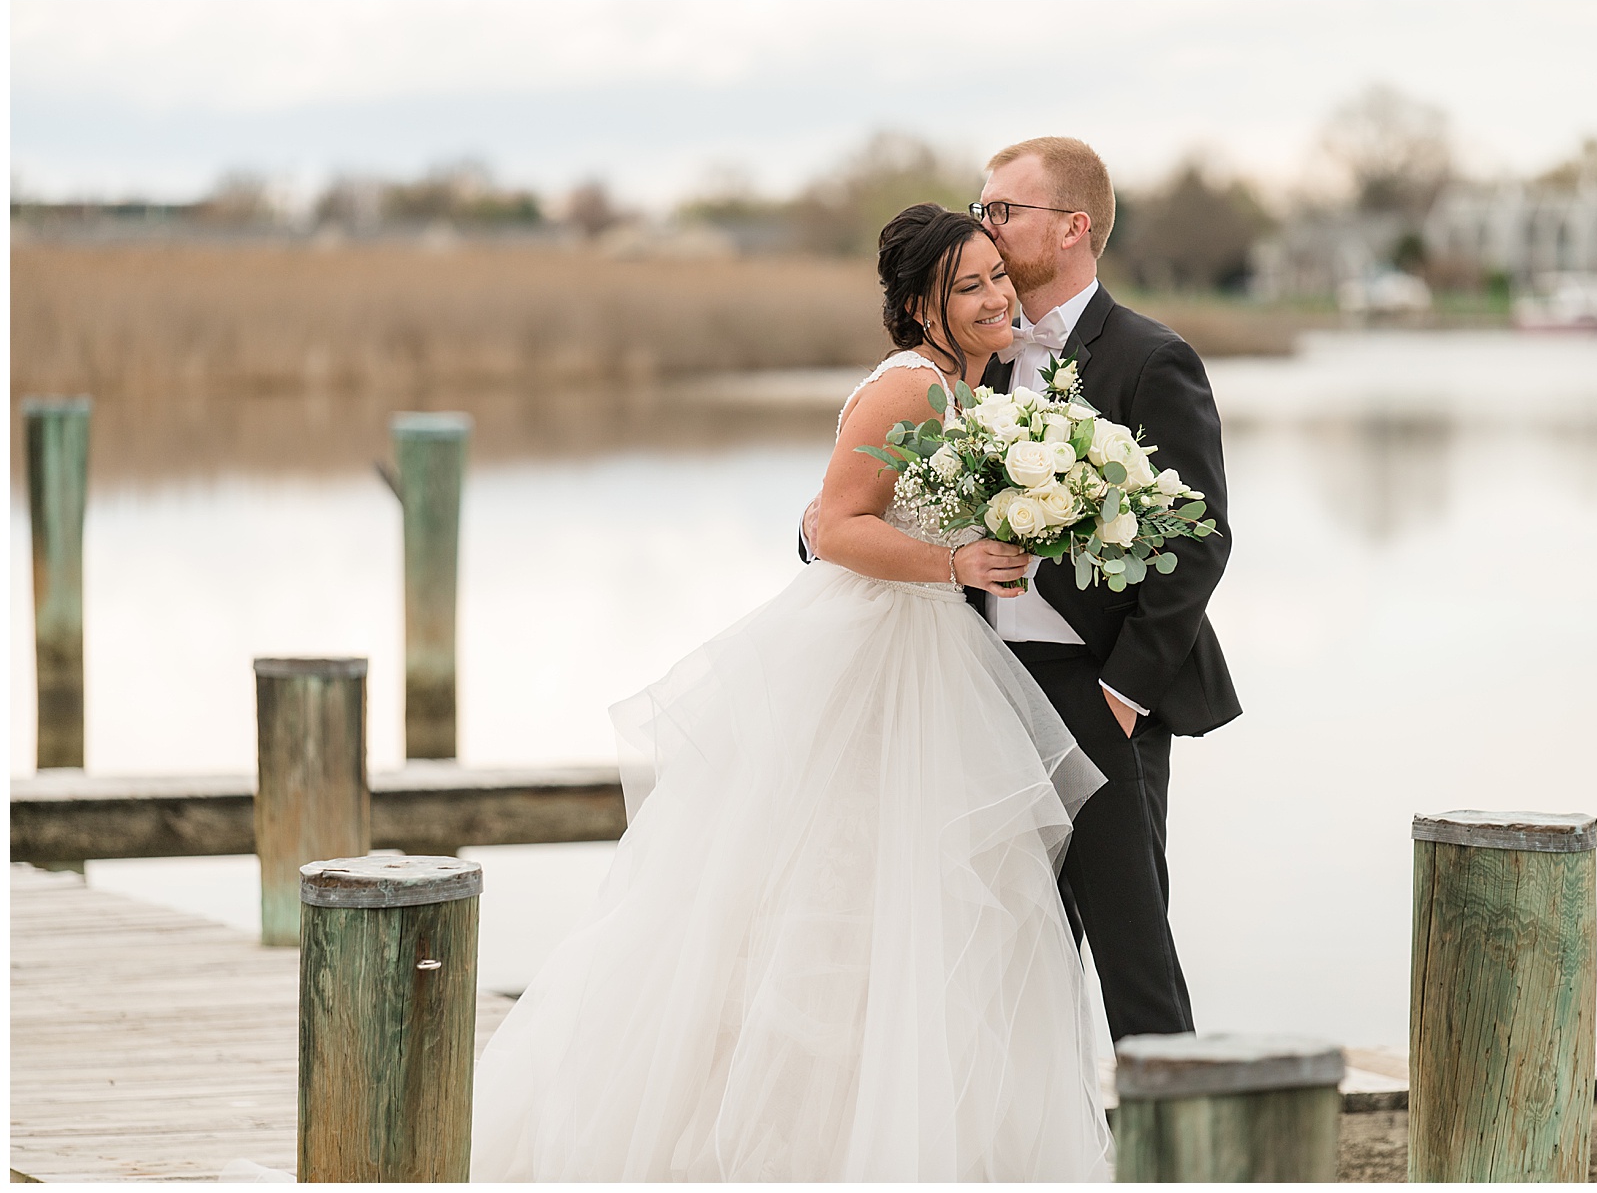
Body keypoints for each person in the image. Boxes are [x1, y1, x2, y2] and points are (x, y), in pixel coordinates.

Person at [469, 204, 1113, 1181]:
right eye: (967, 286)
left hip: (932, 652)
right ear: (915, 307)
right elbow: (834, 525)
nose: (994, 297)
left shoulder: (973, 387)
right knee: (832, 883)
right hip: (870, 652)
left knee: (927, 890)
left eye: (996, 276)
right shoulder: (906, 390)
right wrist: (957, 562)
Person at [806, 137, 1238, 1044]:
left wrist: (1124, 693)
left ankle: (1178, 1163)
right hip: (971, 685)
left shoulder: (1152, 359)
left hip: (1098, 686)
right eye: (984, 206)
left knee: (1132, 945)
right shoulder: (968, 355)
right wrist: (830, 535)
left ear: (1073, 227)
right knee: (997, 942)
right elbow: (864, 495)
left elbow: (1198, 542)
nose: (987, 225)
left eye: (1005, 209)